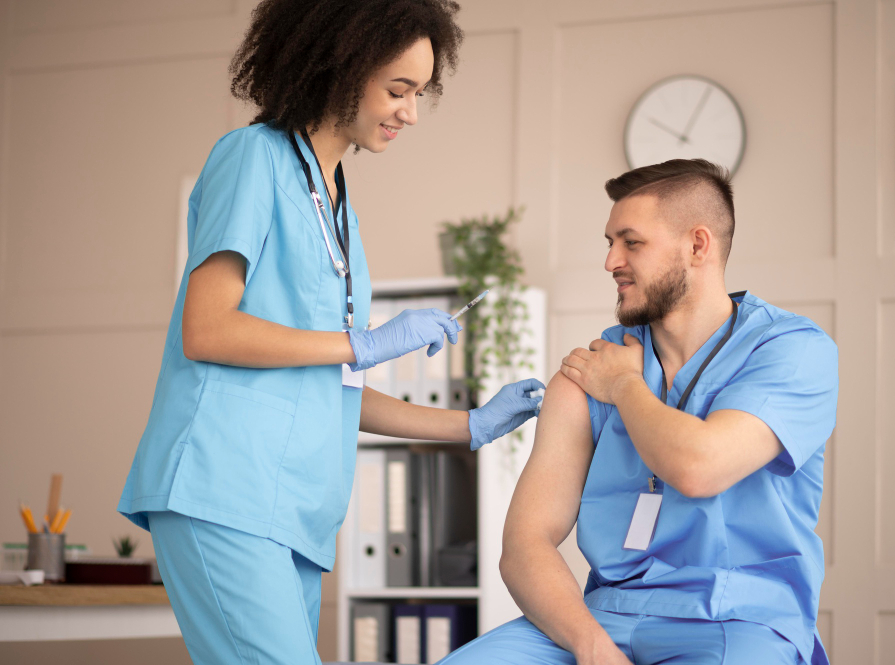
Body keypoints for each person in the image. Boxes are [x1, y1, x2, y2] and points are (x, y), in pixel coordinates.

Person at [116, 2, 542, 663]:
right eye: (397, 90)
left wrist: (469, 426)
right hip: (224, 485)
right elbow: (206, 329)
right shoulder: (251, 158)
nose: (410, 113)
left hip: (297, 513)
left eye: (419, 93)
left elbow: (328, 386)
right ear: (337, 68)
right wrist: (363, 343)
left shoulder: (338, 203)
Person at [440, 159, 838, 665]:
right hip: (601, 618)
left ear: (697, 245)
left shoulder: (792, 352)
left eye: (631, 242)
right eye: (609, 242)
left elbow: (700, 468)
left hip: (734, 617)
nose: (610, 261)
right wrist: (591, 646)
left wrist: (626, 386)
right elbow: (525, 544)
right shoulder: (589, 369)